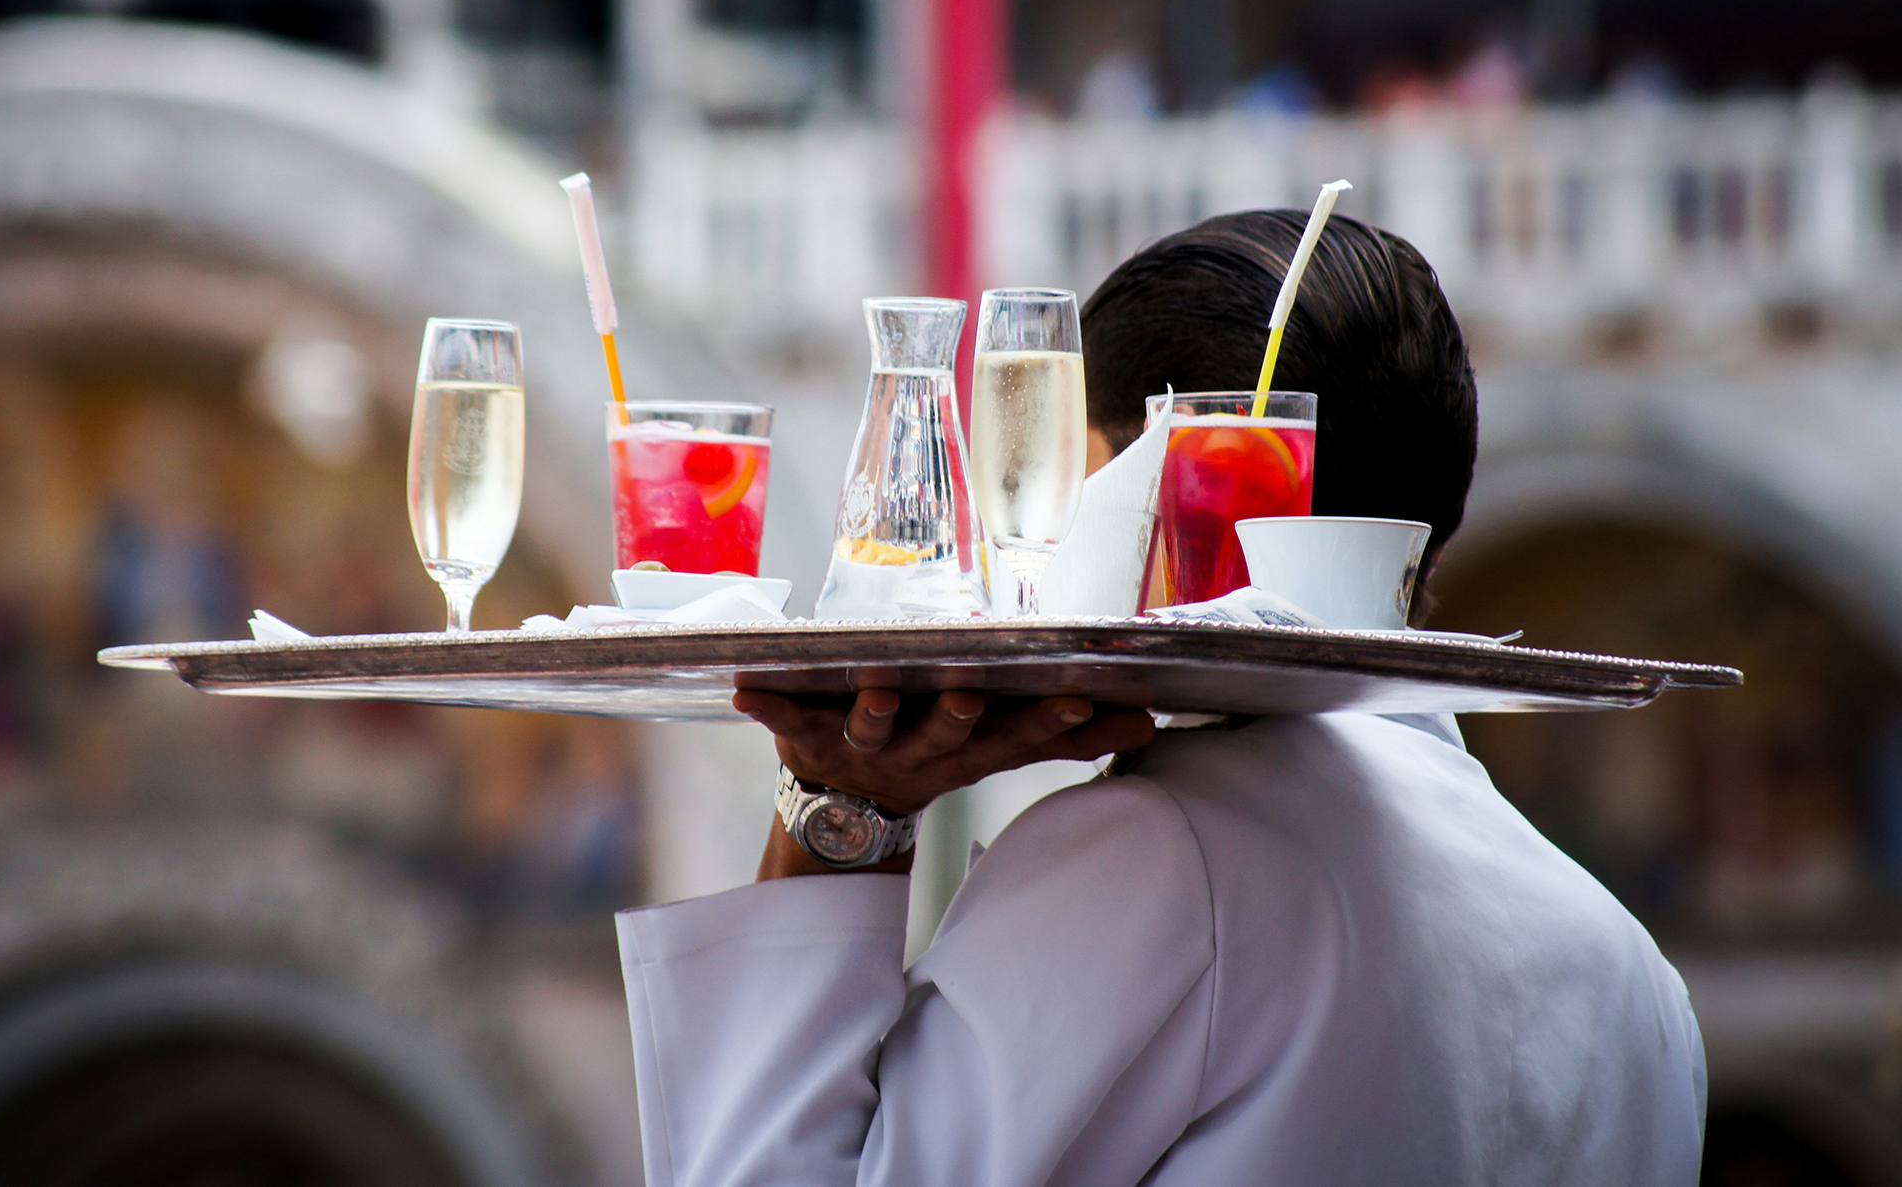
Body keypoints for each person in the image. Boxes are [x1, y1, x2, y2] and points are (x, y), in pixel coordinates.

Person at [616, 211, 1706, 1187]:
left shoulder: (1161, 860)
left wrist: (838, 813)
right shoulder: (1631, 973)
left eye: (1076, 490)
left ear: (1165, 498)